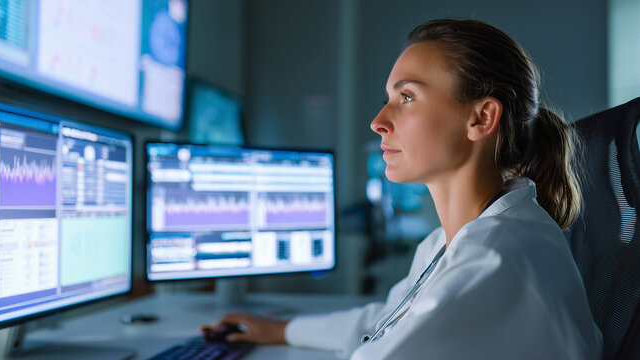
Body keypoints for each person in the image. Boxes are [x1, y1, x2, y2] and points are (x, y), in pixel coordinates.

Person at [200, 19, 603, 359]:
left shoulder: (493, 259)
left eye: (406, 96)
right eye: (389, 97)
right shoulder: (454, 241)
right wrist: (281, 329)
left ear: (481, 118)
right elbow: (384, 321)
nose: (378, 120)